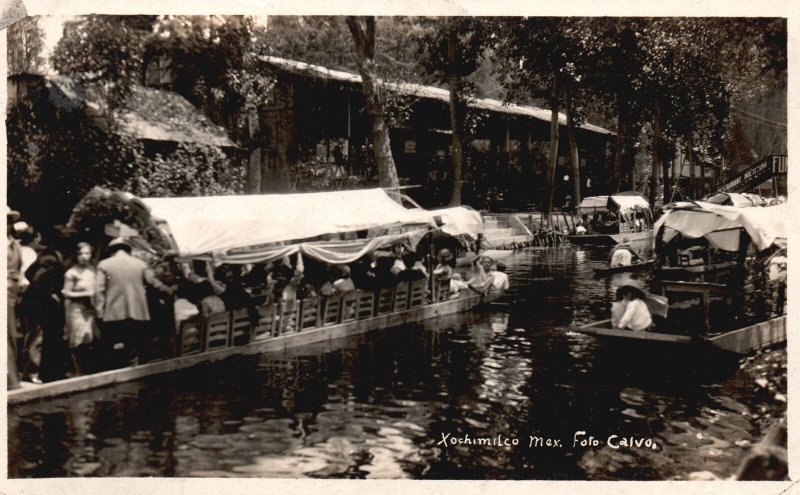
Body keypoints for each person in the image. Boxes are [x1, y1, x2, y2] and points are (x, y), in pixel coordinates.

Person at [95, 238, 171, 370]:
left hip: (114, 313)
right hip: (138, 311)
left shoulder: (104, 265)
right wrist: (167, 290)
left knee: (117, 349)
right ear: (127, 250)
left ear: (112, 251)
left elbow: (100, 290)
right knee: (136, 346)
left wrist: (99, 311)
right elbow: (152, 282)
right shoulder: (140, 264)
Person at [61, 242, 97, 375]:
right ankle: (78, 370)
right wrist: (86, 294)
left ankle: (89, 369)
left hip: (91, 309)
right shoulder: (72, 273)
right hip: (77, 309)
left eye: (87, 253)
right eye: (80, 254)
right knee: (78, 339)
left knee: (90, 338)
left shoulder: (93, 270)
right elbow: (66, 292)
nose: (84, 256)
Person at [7, 207, 23, 389]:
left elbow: (17, 271)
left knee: (10, 335)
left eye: (8, 221)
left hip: (10, 294)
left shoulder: (15, 245)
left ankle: (11, 380)